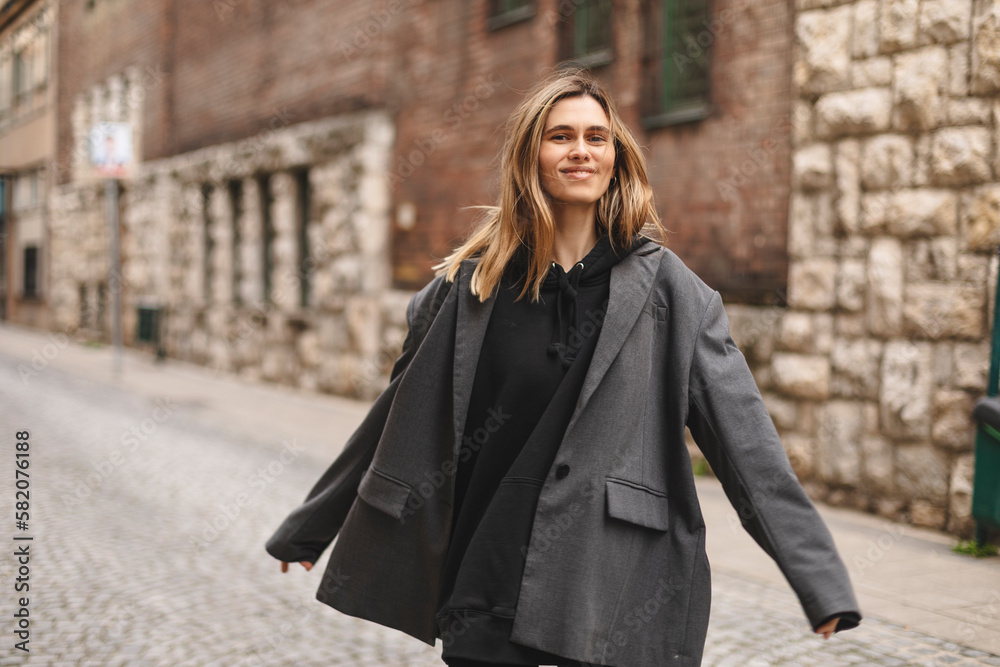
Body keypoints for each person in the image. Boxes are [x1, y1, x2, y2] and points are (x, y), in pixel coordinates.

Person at [265, 69, 861, 667]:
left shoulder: (675, 297)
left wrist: (819, 579)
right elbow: (395, 418)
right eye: (561, 136)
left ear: (617, 158)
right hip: (483, 572)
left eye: (597, 138)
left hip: (605, 581)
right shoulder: (467, 290)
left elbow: (747, 446)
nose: (581, 151)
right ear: (532, 156)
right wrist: (312, 524)